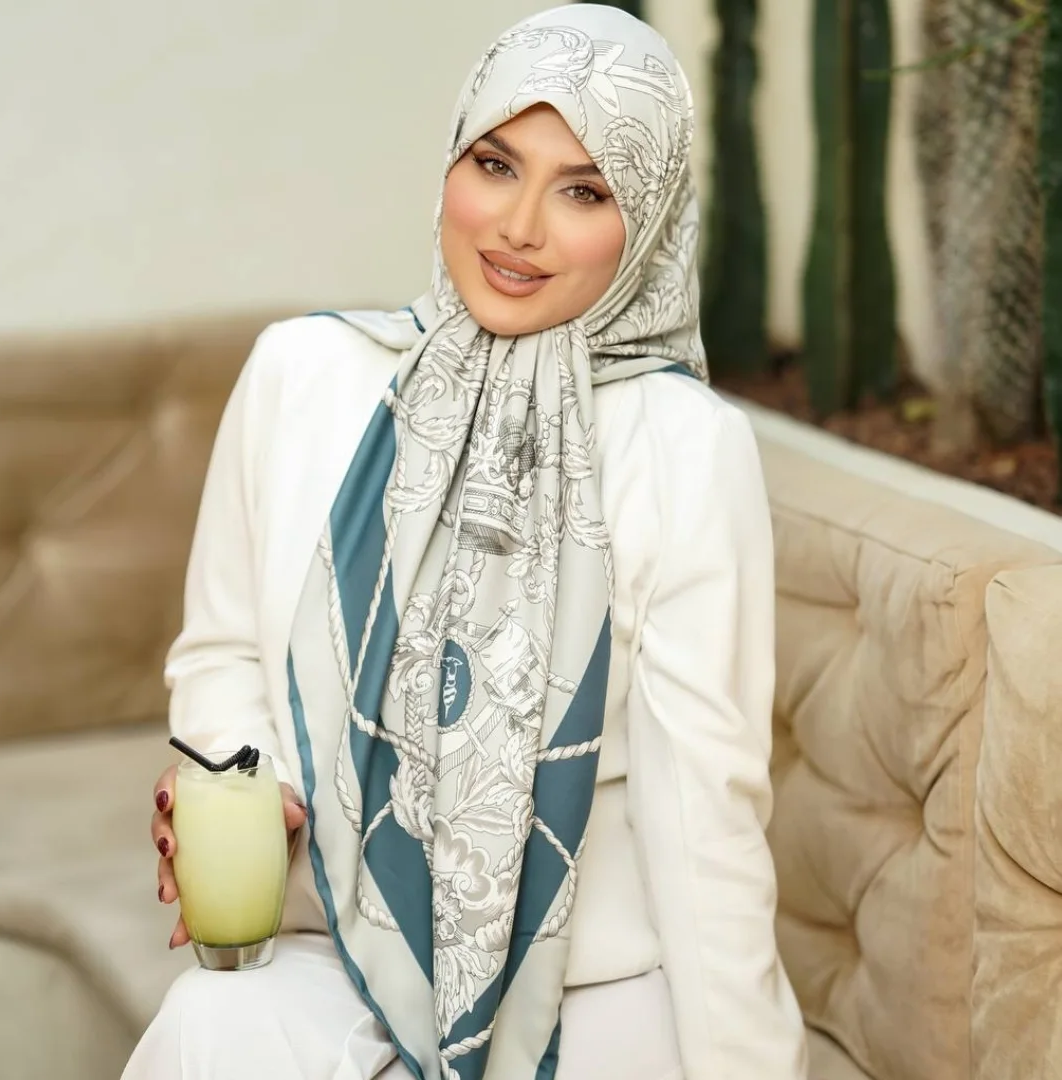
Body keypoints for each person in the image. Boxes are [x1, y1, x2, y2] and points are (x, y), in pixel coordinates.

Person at [123, 5, 808, 1079]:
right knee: (210, 1029)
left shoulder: (683, 444)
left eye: (584, 190)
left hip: (589, 986)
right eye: (496, 165)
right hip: (337, 945)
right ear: (451, 162)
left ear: (647, 225)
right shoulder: (300, 375)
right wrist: (246, 790)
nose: (520, 226)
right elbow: (222, 655)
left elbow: (704, 814)